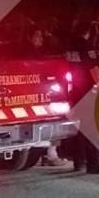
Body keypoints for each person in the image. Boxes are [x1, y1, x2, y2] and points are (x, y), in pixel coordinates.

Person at [66, 21, 99, 174]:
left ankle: (79, 161)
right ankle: (93, 164)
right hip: (87, 91)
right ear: (89, 32)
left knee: (79, 127)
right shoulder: (86, 46)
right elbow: (95, 70)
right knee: (91, 127)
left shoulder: (70, 45)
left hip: (74, 91)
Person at [22, 27, 67, 167]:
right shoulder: (29, 53)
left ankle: (47, 154)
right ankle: (51, 155)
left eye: (41, 36)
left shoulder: (36, 52)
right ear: (29, 37)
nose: (40, 39)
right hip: (38, 94)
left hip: (38, 94)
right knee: (54, 119)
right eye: (37, 35)